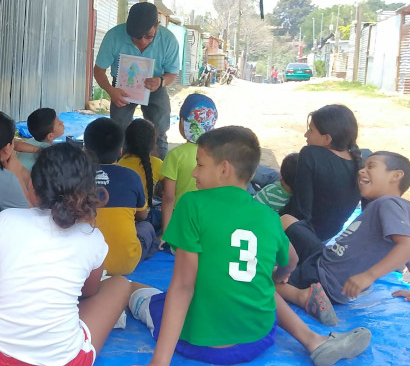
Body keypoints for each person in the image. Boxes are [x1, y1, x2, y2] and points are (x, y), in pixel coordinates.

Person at [128, 126, 371, 366]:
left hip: (200, 344)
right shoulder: (268, 215)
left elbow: (182, 287)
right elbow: (292, 259)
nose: (193, 173)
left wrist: (159, 362)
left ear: (224, 168)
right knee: (260, 282)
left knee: (125, 287)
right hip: (258, 338)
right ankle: (313, 340)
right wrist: (280, 276)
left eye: (200, 165)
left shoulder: (192, 204)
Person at [0, 142, 132, 365]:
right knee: (120, 284)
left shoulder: (6, 221)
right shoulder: (91, 237)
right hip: (66, 361)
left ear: (31, 186)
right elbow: (89, 292)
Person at [276, 151, 410, 325]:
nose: (361, 171)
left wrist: (369, 276)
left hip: (323, 278)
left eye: (370, 166)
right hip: (324, 258)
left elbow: (408, 248)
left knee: (259, 280)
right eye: (363, 167)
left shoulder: (388, 204)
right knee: (287, 220)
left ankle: (303, 296)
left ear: (396, 175)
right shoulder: (391, 207)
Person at [94, 2, 180, 158]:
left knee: (159, 128)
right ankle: (123, 168)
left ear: (157, 26)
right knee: (118, 129)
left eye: (148, 36)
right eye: (136, 37)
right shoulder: (113, 36)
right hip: (121, 88)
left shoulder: (169, 40)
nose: (142, 41)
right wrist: (110, 90)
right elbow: (99, 70)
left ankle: (158, 170)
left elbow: (172, 73)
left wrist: (161, 81)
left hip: (155, 85)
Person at [281, 105, 362, 263]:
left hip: (303, 239)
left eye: (310, 130)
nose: (306, 135)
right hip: (329, 232)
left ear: (327, 139)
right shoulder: (361, 158)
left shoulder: (311, 154)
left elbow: (300, 212)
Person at [84, 118, 158, 275]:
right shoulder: (131, 176)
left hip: (85, 265)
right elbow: (142, 216)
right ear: (120, 151)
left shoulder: (75, 176)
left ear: (85, 149)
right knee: (147, 227)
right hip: (124, 264)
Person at [160, 93, 217, 242]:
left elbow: (168, 197)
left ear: (182, 122)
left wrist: (166, 234)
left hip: (182, 230)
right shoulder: (219, 156)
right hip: (209, 230)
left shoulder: (175, 155)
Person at [118, 118, 164, 234]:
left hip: (125, 217)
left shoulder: (120, 163)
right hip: (146, 218)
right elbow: (170, 192)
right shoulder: (158, 164)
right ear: (153, 142)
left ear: (126, 142)